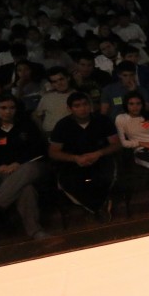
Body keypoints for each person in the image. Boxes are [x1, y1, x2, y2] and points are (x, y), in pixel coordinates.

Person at [0, 95, 50, 239]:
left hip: (31, 166)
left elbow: (39, 149)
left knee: (27, 169)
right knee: (26, 189)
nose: (8, 111)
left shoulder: (27, 126)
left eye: (12, 108)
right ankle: (35, 231)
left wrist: (18, 163)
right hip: (5, 172)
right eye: (3, 108)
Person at [49, 92, 121, 220]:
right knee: (70, 182)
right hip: (73, 162)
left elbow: (116, 144)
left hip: (100, 159)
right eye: (77, 106)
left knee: (105, 177)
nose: (82, 108)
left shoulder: (102, 120)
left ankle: (97, 208)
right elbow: (53, 152)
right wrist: (75, 158)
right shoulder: (62, 125)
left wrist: (98, 153)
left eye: (85, 104)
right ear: (70, 109)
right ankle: (97, 207)